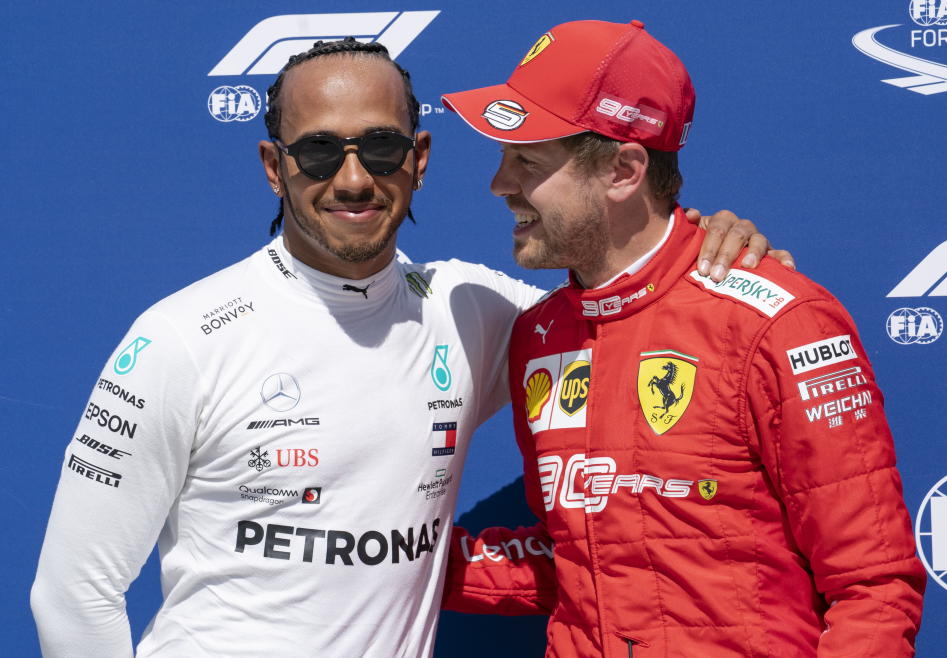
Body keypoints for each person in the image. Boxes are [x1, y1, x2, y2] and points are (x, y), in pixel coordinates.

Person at [30, 38, 785, 657]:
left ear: (420, 157)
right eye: (320, 152)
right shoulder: (182, 337)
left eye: (382, 148)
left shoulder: (475, 309)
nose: (353, 179)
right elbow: (72, 596)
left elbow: (633, 302)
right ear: (275, 168)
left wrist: (707, 246)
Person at [440, 19, 925, 657]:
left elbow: (875, 587)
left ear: (622, 170)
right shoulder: (541, 333)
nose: (499, 185)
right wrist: (388, 560)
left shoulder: (778, 321)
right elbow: (580, 561)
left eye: (527, 160)